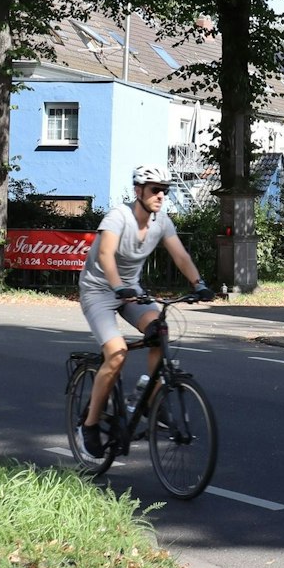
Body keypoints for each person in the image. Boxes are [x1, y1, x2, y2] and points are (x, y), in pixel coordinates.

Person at [77, 163, 212, 457]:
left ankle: (152, 399)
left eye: (165, 190)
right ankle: (89, 425)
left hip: (131, 290)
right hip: (99, 289)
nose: (161, 195)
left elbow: (180, 255)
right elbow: (105, 254)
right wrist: (117, 286)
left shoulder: (161, 223)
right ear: (138, 191)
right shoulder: (118, 217)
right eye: (155, 190)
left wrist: (199, 284)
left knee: (158, 331)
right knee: (116, 354)